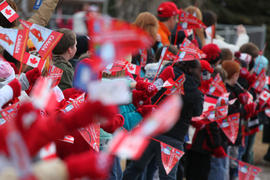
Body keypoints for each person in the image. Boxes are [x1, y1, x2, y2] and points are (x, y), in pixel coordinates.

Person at [123, 59, 203, 180]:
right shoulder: (196, 91)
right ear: (193, 70)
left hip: (152, 130)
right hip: (174, 137)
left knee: (135, 168)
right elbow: (197, 112)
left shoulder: (166, 74)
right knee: (168, 176)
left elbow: (152, 94)